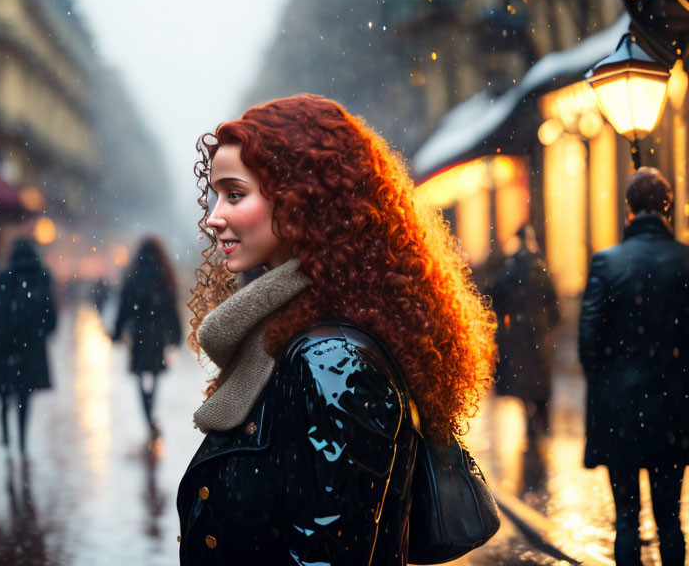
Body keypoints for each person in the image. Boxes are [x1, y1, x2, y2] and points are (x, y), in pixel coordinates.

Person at [177, 94, 496, 564]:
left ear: (302, 197)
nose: (214, 217)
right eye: (217, 195)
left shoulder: (332, 362)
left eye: (236, 194)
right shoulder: (288, 338)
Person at [579, 167, 689, 566]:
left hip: (620, 411)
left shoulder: (607, 263)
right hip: (674, 412)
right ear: (667, 206)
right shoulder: (684, 262)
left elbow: (587, 343)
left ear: (629, 209)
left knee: (626, 521)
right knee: (670, 521)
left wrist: (610, 383)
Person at [0, 239, 57, 458]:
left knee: (5, 392)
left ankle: (6, 433)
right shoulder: (41, 279)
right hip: (31, 349)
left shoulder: (3, 279)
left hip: (6, 345)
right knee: (25, 396)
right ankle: (22, 441)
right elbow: (51, 320)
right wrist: (39, 334)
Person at [488, 223, 560, 441]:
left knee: (522, 377)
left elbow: (492, 297)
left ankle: (529, 416)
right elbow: (554, 307)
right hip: (539, 333)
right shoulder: (541, 269)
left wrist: (503, 322)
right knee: (541, 378)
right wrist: (548, 324)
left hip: (516, 335)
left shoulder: (508, 270)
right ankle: (542, 418)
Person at [112, 236, 182, 436]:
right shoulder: (164, 275)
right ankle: (152, 416)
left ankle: (148, 419)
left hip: (139, 334)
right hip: (157, 334)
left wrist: (117, 332)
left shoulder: (134, 275)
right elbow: (171, 307)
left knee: (141, 378)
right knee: (155, 375)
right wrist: (176, 334)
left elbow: (124, 307)